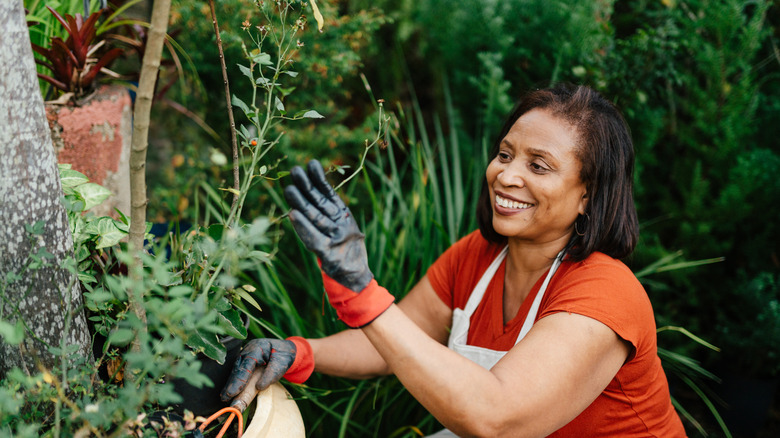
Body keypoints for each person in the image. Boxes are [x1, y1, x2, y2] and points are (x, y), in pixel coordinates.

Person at [221, 84, 687, 437]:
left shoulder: (605, 293)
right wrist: (301, 352)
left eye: (538, 166)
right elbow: (392, 339)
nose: (506, 175)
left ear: (589, 194)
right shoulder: (478, 258)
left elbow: (497, 418)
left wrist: (362, 292)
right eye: (505, 154)